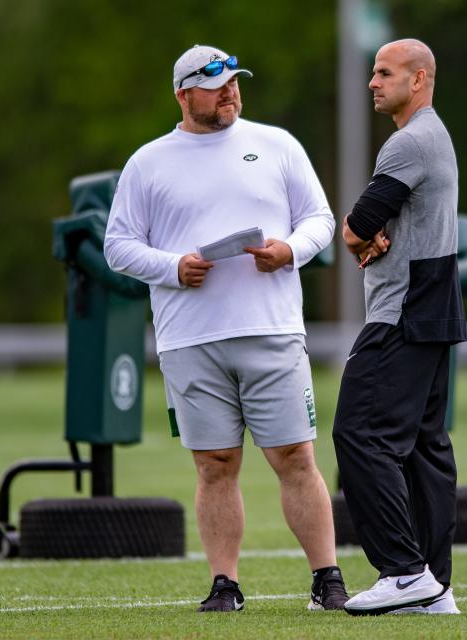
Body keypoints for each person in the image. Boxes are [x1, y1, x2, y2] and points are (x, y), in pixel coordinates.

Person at [104, 44, 348, 613]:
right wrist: (173, 266)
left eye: (236, 82)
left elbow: (320, 219)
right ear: (184, 94)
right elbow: (117, 245)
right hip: (190, 338)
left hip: (272, 330)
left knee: (295, 455)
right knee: (215, 464)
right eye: (217, 86)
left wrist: (288, 250)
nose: (232, 92)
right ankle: (225, 584)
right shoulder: (148, 162)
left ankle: (327, 578)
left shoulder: (276, 144)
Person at [333, 39, 467, 616]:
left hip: (403, 311)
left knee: (358, 435)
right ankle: (435, 583)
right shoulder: (436, 135)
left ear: (419, 80)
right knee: (423, 449)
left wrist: (360, 235)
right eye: (371, 72)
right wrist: (370, 233)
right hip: (437, 307)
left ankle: (404, 572)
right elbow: (376, 223)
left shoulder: (407, 143)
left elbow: (357, 226)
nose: (372, 82)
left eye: (384, 73)